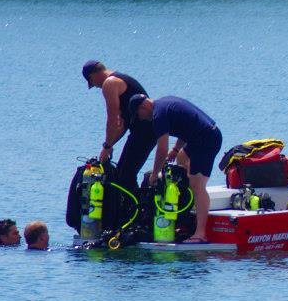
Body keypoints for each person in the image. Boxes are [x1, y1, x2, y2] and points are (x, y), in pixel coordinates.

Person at [130, 94, 223, 244]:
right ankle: (186, 213)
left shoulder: (158, 115)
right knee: (181, 159)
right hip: (198, 137)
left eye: (139, 115)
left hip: (207, 139)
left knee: (197, 185)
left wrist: (155, 174)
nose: (142, 119)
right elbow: (187, 126)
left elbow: (161, 148)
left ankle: (200, 234)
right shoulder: (163, 105)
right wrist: (175, 149)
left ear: (143, 106)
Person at [82, 60, 155, 190]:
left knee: (125, 175)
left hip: (145, 132)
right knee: (122, 174)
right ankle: (135, 200)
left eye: (92, 82)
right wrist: (109, 145)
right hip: (146, 132)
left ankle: (136, 202)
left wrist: (107, 146)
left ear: (92, 76)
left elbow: (112, 119)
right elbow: (122, 125)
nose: (96, 86)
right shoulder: (119, 79)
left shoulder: (109, 84)